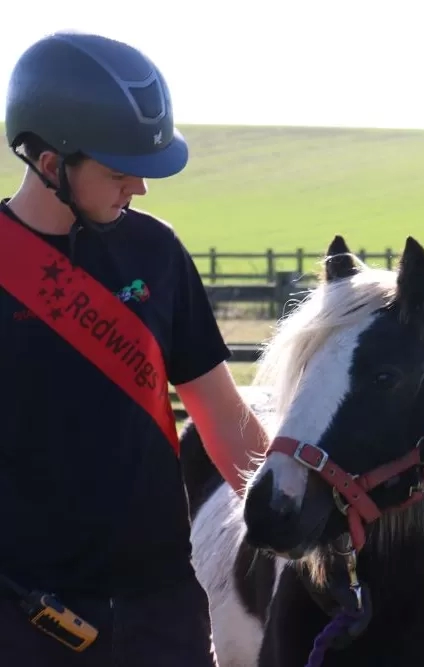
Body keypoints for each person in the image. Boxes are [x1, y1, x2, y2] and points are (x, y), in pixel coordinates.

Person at [0, 30, 269, 666]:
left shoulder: (158, 252)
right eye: (120, 173)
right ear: (49, 164)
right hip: (24, 613)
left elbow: (224, 419)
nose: (140, 189)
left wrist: (301, 526)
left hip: (163, 610)